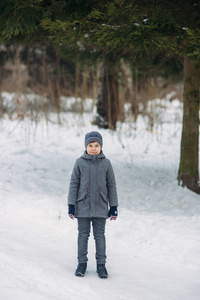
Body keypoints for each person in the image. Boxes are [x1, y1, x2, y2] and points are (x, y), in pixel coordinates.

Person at [68, 131, 118, 279]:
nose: (94, 148)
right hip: (82, 206)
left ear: (101, 146)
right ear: (86, 146)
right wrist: (71, 204)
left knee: (100, 236)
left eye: (97, 145)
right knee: (83, 235)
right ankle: (81, 263)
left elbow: (111, 185)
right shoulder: (79, 162)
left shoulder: (106, 163)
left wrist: (113, 206)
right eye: (90, 145)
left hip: (101, 206)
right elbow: (74, 184)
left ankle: (101, 265)